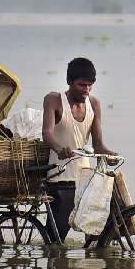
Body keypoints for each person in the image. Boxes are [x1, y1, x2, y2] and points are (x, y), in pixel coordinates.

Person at [41, 57, 116, 243]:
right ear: (69, 82)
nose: (86, 90)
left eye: (90, 85)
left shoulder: (94, 104)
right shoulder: (54, 101)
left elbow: (98, 144)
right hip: (60, 178)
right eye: (82, 85)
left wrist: (111, 155)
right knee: (55, 240)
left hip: (84, 179)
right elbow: (47, 133)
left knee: (101, 230)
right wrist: (59, 149)